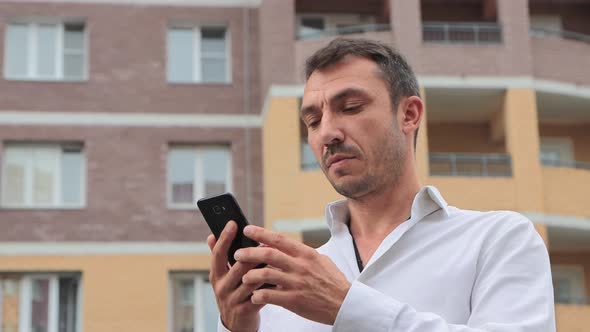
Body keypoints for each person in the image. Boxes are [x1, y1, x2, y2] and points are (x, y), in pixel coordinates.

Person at [207, 38, 556, 332]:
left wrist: (347, 306)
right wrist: (235, 327)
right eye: (313, 120)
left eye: (351, 107)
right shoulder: (286, 285)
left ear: (409, 115)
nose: (327, 132)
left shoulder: (498, 239)